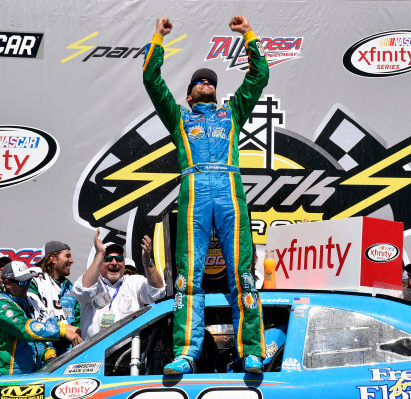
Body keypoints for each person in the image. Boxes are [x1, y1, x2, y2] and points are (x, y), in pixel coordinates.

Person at [142, 15, 268, 374]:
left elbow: (258, 77)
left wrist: (248, 34)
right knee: (187, 278)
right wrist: (158, 39)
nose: (204, 84)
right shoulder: (179, 118)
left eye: (209, 81)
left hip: (230, 192)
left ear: (217, 90)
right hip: (194, 192)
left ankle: (251, 352)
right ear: (188, 94)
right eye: (198, 81)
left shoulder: (233, 113)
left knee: (242, 276)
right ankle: (185, 353)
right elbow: (151, 80)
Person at [0, 261, 82, 375]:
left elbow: (42, 324)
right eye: (22, 283)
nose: (26, 286)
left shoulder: (27, 302)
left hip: (29, 373)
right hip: (9, 375)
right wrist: (62, 331)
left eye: (28, 281)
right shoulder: (2, 305)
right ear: (7, 283)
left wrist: (48, 351)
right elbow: (25, 329)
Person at [72, 231, 165, 339]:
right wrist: (100, 253)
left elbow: (158, 292)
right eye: (108, 259)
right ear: (99, 261)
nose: (114, 263)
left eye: (119, 259)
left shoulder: (134, 281)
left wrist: (147, 261)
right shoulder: (92, 282)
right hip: (95, 352)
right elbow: (83, 292)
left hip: (128, 352)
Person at [28, 240, 80, 354]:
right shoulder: (34, 281)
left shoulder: (71, 286)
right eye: (67, 256)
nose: (72, 261)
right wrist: (64, 329)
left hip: (70, 354)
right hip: (43, 353)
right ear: (53, 259)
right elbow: (31, 319)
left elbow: (78, 319)